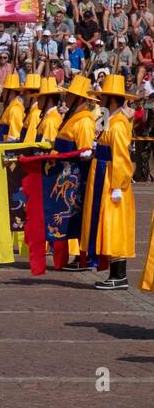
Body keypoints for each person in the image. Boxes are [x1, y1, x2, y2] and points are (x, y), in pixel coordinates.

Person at [81, 75, 136, 289]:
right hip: (103, 176)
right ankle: (115, 273)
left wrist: (118, 185)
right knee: (107, 224)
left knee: (115, 225)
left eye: (103, 96)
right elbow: (100, 138)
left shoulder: (119, 126)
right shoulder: (109, 120)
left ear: (111, 99)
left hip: (112, 180)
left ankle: (119, 274)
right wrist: (93, 150)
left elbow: (121, 156)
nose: (100, 100)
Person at [53, 76, 98, 271]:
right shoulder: (72, 118)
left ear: (79, 98)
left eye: (71, 95)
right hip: (64, 174)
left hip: (76, 177)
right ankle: (76, 256)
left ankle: (84, 257)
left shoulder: (85, 121)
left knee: (78, 218)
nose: (67, 97)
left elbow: (85, 151)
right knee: (69, 219)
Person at [0, 72, 25, 141]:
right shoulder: (10, 107)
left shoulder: (15, 109)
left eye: (4, 91)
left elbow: (14, 137)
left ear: (10, 92)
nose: (2, 94)